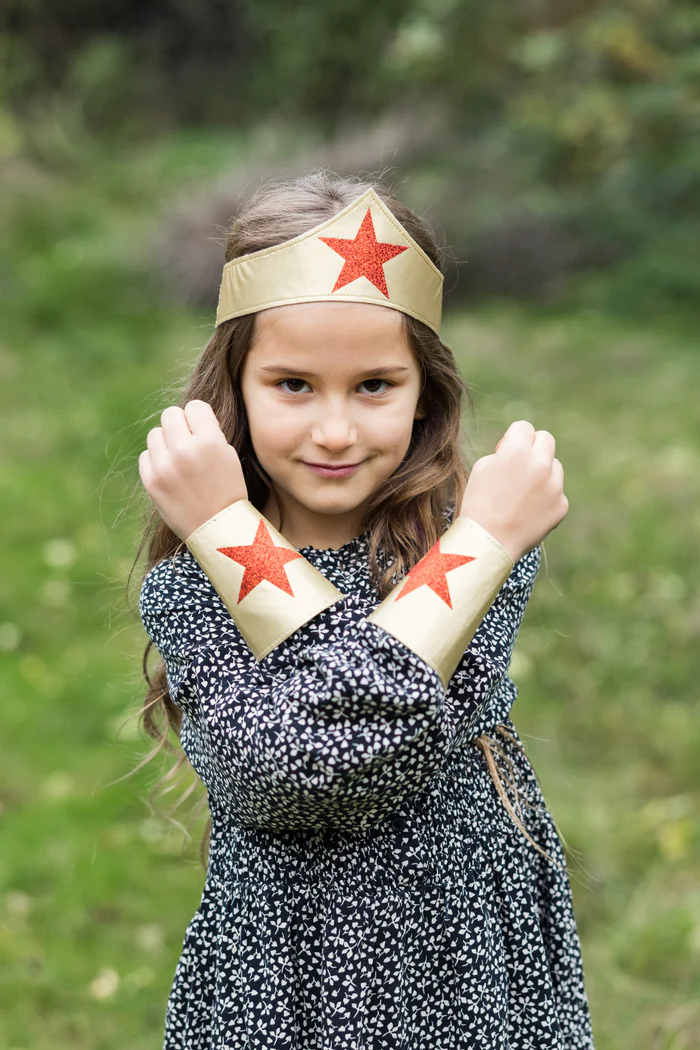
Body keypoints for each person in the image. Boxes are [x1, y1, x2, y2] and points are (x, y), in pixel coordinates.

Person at [136, 171, 594, 1048]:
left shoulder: (452, 542)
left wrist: (231, 531)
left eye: (375, 385)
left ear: (426, 389)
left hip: (460, 970)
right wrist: (232, 531)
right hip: (287, 983)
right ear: (237, 385)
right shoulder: (194, 581)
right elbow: (288, 771)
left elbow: (346, 728)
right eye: (294, 385)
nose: (337, 431)